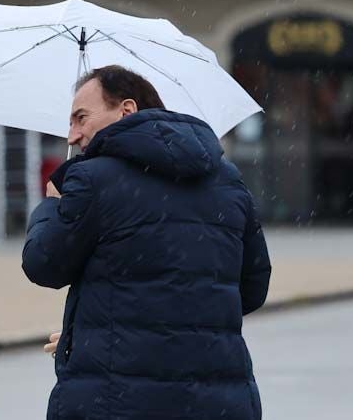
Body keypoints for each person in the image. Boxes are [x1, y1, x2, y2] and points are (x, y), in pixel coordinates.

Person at [22, 65, 271, 420]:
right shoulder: (227, 179)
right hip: (218, 402)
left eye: (81, 118)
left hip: (116, 403)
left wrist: (51, 206)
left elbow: (43, 264)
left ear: (126, 110)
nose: (72, 136)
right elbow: (250, 288)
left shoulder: (94, 180)